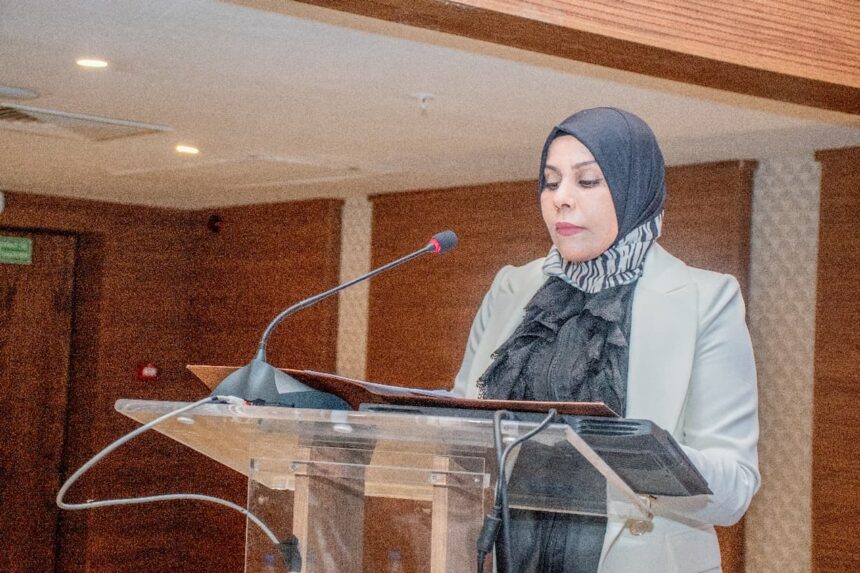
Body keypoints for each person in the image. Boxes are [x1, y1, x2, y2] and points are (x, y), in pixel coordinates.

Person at [451, 107, 760, 573]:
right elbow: (460, 432)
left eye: (587, 181)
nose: (561, 198)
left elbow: (734, 489)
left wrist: (633, 451)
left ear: (634, 187)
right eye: (550, 182)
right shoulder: (511, 289)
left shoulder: (707, 300)